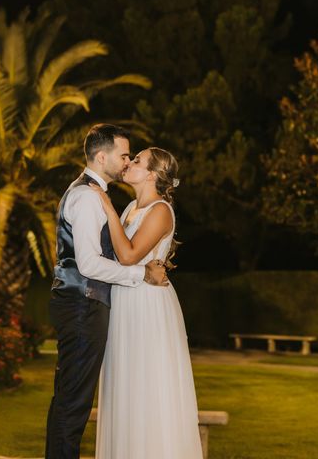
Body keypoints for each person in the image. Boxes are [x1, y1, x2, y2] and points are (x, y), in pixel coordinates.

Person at [44, 124, 168, 459]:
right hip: (83, 305)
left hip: (82, 304)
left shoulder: (96, 195)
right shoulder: (87, 197)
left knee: (69, 399)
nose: (127, 162)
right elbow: (89, 265)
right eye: (124, 155)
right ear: (102, 156)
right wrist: (142, 273)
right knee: (73, 404)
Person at [91, 147, 203, 459]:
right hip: (124, 299)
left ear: (151, 174)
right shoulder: (129, 208)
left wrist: (107, 209)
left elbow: (128, 255)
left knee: (147, 386)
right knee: (125, 386)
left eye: (136, 160)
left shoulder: (161, 210)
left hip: (147, 307)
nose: (128, 163)